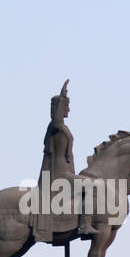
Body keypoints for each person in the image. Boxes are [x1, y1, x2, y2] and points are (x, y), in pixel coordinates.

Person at [40, 80, 97, 236]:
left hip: (66, 173)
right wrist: (62, 96)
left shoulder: (63, 127)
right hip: (58, 176)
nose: (69, 110)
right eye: (66, 107)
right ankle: (85, 225)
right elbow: (57, 119)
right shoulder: (55, 125)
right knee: (91, 186)